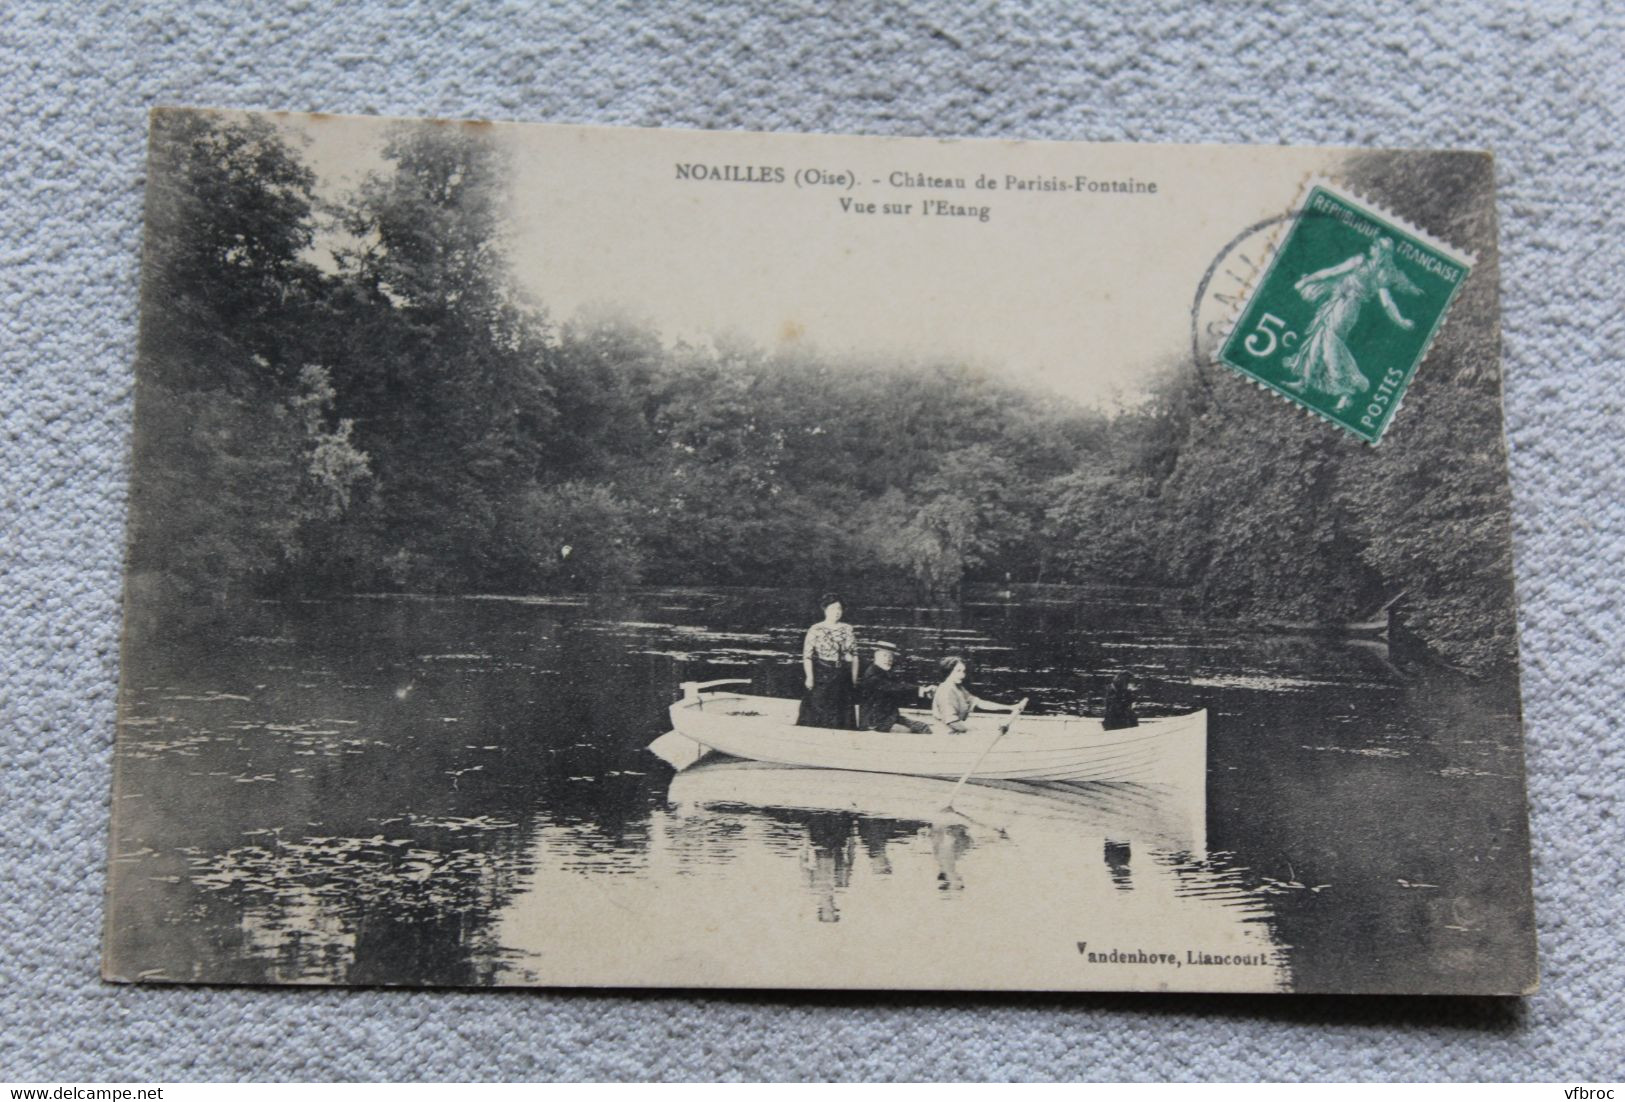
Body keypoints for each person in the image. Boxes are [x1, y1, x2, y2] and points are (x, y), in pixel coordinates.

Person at [1282, 236, 1421, 411]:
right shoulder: (1360, 261)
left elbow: (1387, 302)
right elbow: (1333, 272)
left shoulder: (1381, 274)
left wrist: (1400, 320)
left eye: (1375, 246)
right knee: (1316, 339)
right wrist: (1308, 280)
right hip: (1335, 302)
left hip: (1347, 309)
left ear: (1381, 251)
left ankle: (1346, 392)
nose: (1372, 247)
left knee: (1331, 348)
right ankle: (1304, 382)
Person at [796, 592, 858, 729]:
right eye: (832, 609)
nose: (836, 612)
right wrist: (809, 677)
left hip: (842, 673)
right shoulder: (816, 629)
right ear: (825, 609)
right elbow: (807, 656)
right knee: (818, 707)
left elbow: (854, 656)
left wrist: (854, 678)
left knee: (843, 711)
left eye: (839, 609)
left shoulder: (848, 629)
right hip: (822, 673)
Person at [930, 656, 1026, 734]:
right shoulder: (946, 691)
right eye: (958, 671)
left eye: (963, 671)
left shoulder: (958, 688)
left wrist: (1010, 707)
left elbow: (980, 703)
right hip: (944, 734)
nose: (963, 675)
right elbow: (952, 722)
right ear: (948, 672)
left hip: (955, 731)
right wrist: (979, 732)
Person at [856, 641, 932, 733]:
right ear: (876, 656)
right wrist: (920, 689)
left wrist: (924, 692)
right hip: (874, 723)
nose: (889, 659)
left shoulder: (886, 673)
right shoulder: (872, 675)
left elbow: (901, 689)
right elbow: (894, 688)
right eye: (885, 655)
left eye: (891, 656)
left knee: (924, 727)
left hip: (890, 718)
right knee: (908, 732)